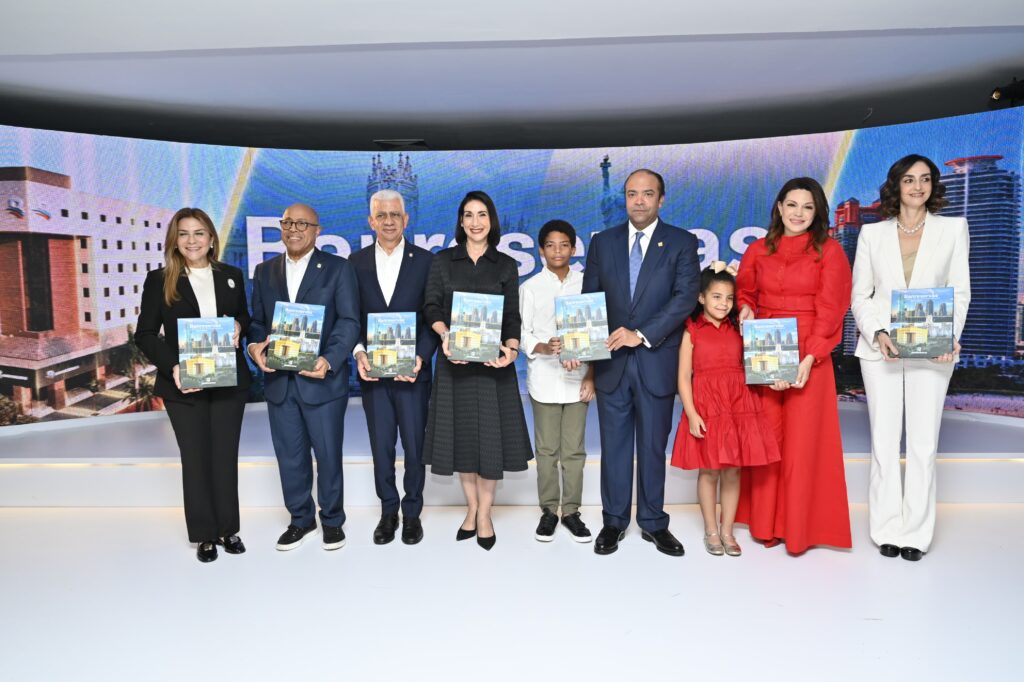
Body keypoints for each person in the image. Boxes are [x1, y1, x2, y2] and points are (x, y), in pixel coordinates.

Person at [851, 154, 971, 562]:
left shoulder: (954, 229)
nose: (916, 186)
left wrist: (947, 337)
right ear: (895, 186)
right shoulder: (871, 234)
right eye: (908, 179)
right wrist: (878, 333)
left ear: (933, 186)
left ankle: (916, 535)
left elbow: (959, 291)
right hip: (879, 350)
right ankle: (886, 528)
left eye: (924, 179)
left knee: (922, 444)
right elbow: (861, 296)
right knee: (884, 443)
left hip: (932, 350)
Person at [581, 168, 700, 556]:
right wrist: (585, 354)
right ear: (625, 198)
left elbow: (684, 299)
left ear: (661, 199)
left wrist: (642, 334)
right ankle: (613, 523)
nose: (639, 201)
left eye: (647, 194)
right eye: (632, 194)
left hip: (655, 360)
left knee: (651, 447)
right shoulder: (603, 242)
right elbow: (590, 300)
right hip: (612, 364)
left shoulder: (682, 242)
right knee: (614, 448)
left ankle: (652, 522)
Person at [734, 177, 853, 555]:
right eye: (792, 204)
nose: (798, 213)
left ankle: (798, 529)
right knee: (767, 440)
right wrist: (746, 308)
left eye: (807, 207)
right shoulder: (758, 250)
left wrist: (811, 356)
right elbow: (745, 291)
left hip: (808, 354)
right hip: (768, 347)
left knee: (803, 445)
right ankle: (766, 523)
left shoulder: (830, 251)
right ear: (780, 207)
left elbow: (832, 308)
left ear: (816, 212)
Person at [135, 207, 251, 563]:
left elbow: (244, 315)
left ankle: (228, 529)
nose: (192, 240)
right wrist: (173, 367)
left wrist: (239, 328)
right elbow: (145, 333)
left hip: (228, 381)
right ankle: (204, 534)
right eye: (184, 234)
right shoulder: (160, 279)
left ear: (211, 238)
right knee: (196, 458)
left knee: (224, 456)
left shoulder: (231, 275)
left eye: (199, 233)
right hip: (182, 384)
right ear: (175, 240)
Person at [422, 190, 532, 551]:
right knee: (463, 441)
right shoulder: (442, 262)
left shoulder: (504, 265)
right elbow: (432, 307)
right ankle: (470, 508)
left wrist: (512, 350)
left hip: (491, 367)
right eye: (468, 215)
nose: (475, 222)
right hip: (454, 365)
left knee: (489, 442)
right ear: (460, 221)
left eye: (481, 214)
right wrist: (444, 335)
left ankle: (485, 512)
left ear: (491, 220)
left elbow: (512, 316)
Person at [247, 203, 360, 552]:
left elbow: (349, 321)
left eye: (302, 224)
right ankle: (300, 520)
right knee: (290, 456)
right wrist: (255, 347)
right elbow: (257, 322)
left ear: (317, 230)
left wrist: (329, 359)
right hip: (281, 384)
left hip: (322, 381)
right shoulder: (265, 271)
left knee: (328, 455)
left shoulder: (338, 269)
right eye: (288, 223)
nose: (294, 229)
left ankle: (332, 521)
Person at [670, 263, 780, 557]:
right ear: (701, 298)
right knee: (709, 471)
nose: (723, 303)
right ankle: (711, 530)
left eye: (729, 298)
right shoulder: (691, 330)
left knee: (733, 471)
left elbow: (761, 361)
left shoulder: (740, 328)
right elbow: (683, 376)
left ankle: (728, 530)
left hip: (739, 404)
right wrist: (692, 413)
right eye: (716, 297)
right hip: (707, 406)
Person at [351, 189, 437, 546]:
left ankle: (412, 511)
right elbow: (349, 316)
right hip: (374, 375)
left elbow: (434, 316)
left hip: (413, 373)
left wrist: (421, 355)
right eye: (381, 216)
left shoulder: (427, 261)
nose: (388, 221)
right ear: (371, 221)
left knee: (415, 446)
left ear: (406, 219)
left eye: (395, 215)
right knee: (381, 445)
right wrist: (358, 352)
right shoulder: (352, 264)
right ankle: (389, 510)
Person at [519, 220, 596, 543]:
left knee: (574, 450)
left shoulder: (586, 284)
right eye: (550, 245)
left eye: (564, 245)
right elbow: (523, 333)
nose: (557, 251)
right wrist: (542, 346)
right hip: (544, 379)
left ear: (574, 249)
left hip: (579, 379)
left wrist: (592, 375)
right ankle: (550, 510)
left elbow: (595, 333)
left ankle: (572, 511)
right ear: (540, 251)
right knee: (548, 449)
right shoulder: (530, 287)